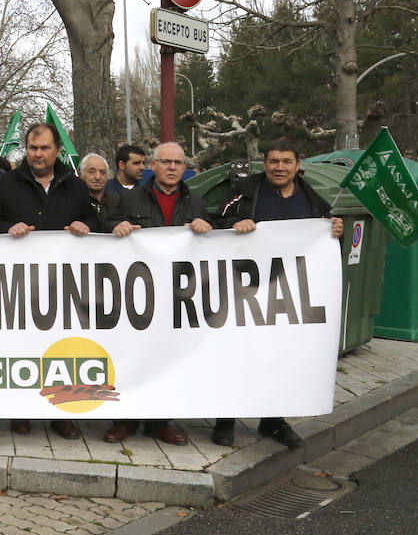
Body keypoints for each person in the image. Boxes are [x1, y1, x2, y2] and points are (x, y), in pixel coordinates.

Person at [212, 138, 345, 447]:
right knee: (237, 354)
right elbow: (214, 222)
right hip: (245, 290)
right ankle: (225, 420)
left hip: (290, 295)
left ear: (298, 165)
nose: (280, 167)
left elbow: (329, 241)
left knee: (283, 358)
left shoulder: (314, 201)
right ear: (265, 164)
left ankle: (273, 422)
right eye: (274, 161)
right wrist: (236, 222)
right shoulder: (245, 193)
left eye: (286, 161)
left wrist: (339, 230)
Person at [0, 123, 97, 441]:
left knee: (62, 347)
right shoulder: (6, 184)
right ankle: (22, 410)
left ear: (57, 150)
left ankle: (60, 413)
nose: (38, 154)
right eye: (32, 148)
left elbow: (94, 219)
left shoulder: (75, 185)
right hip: (18, 284)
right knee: (22, 347)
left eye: (44, 148)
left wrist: (85, 225)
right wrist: (7, 227)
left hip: (64, 284)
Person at [101, 142, 208, 447]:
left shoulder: (195, 204)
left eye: (178, 162)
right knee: (131, 355)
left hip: (176, 296)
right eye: (166, 162)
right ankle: (125, 420)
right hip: (137, 296)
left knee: (168, 357)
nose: (173, 167)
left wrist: (208, 224)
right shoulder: (127, 198)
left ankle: (160, 422)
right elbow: (104, 223)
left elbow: (216, 239)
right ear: (153, 165)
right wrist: (115, 225)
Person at [79, 153, 111, 222]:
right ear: (81, 174)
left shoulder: (117, 203)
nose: (98, 177)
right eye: (92, 172)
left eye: (102, 172)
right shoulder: (73, 203)